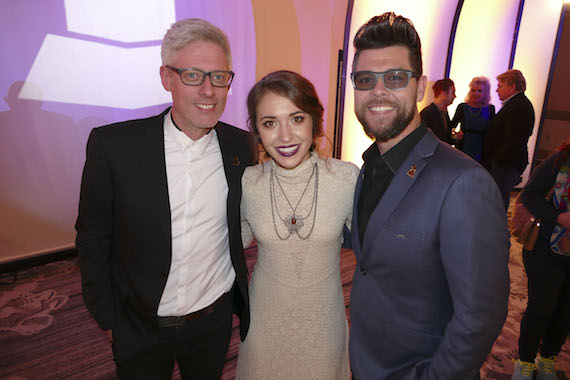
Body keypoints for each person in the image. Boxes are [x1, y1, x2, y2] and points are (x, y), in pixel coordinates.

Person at [75, 18, 255, 379]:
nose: (209, 90)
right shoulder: (114, 147)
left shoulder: (242, 146)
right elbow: (93, 238)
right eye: (193, 75)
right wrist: (108, 318)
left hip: (212, 324)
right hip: (139, 326)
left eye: (219, 76)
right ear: (167, 78)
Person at [347, 12, 510, 379]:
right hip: (363, 362)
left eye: (395, 78)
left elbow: (479, 319)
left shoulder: (464, 182)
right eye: (365, 79)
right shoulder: (370, 167)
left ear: (420, 87)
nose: (378, 91)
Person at [235, 70, 359, 379]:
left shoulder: (345, 179)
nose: (285, 136)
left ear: (315, 121)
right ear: (258, 132)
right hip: (265, 325)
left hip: (324, 327)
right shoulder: (250, 183)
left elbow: (377, 250)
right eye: (270, 123)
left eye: (297, 118)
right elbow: (229, 246)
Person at [511, 141, 570, 380]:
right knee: (541, 308)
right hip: (546, 248)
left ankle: (547, 358)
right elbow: (530, 195)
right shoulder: (559, 161)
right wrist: (559, 217)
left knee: (566, 312)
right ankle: (524, 361)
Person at [483, 69, 535, 210]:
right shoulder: (517, 104)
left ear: (512, 87)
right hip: (504, 163)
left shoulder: (519, 106)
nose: (497, 90)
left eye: (500, 86)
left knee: (496, 204)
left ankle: (494, 231)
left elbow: (513, 140)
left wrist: (495, 162)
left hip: (505, 165)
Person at [450, 76, 495, 162]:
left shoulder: (490, 109)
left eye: (480, 91)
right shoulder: (462, 107)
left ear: (485, 93)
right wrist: (455, 136)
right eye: (473, 90)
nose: (476, 93)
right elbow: (450, 127)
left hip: (483, 152)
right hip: (463, 149)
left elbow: (493, 132)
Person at [419, 78, 456, 144]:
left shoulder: (444, 112)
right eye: (453, 92)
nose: (455, 96)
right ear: (443, 93)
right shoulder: (427, 114)